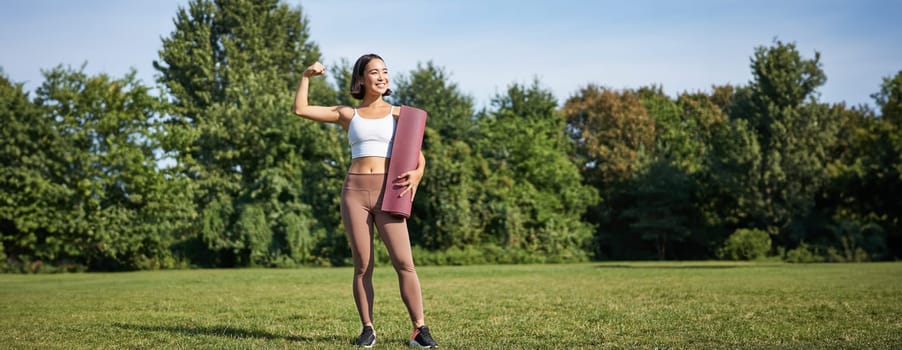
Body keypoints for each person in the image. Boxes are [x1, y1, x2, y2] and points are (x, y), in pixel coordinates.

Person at [292, 53, 438, 349]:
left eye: (385, 71)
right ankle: (368, 328)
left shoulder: (401, 115)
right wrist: (306, 77)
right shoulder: (348, 114)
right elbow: (301, 109)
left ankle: (419, 330)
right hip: (354, 193)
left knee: (404, 263)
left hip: (389, 191)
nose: (382, 76)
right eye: (375, 72)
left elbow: (418, 158)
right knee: (362, 265)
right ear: (361, 79)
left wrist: (417, 175)